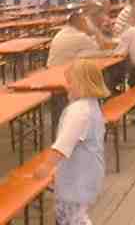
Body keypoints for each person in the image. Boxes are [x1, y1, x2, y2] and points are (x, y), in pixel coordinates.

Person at [29, 60, 110, 225]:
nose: (67, 86)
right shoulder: (91, 104)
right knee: (73, 215)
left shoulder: (79, 111)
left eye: (70, 82)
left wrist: (46, 166)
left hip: (77, 176)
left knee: (72, 218)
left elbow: (63, 144)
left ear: (82, 84)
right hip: (87, 171)